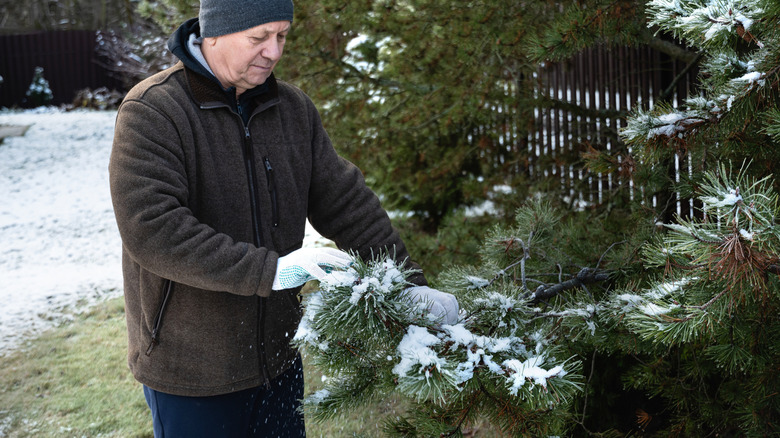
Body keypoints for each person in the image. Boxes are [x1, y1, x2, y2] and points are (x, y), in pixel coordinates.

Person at [108, 0, 458, 436]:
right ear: (213, 33)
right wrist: (270, 271)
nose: (273, 52)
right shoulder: (154, 111)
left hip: (279, 358)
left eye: (282, 36)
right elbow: (154, 230)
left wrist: (407, 288)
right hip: (193, 373)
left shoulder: (291, 109)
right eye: (258, 38)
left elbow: (347, 204)